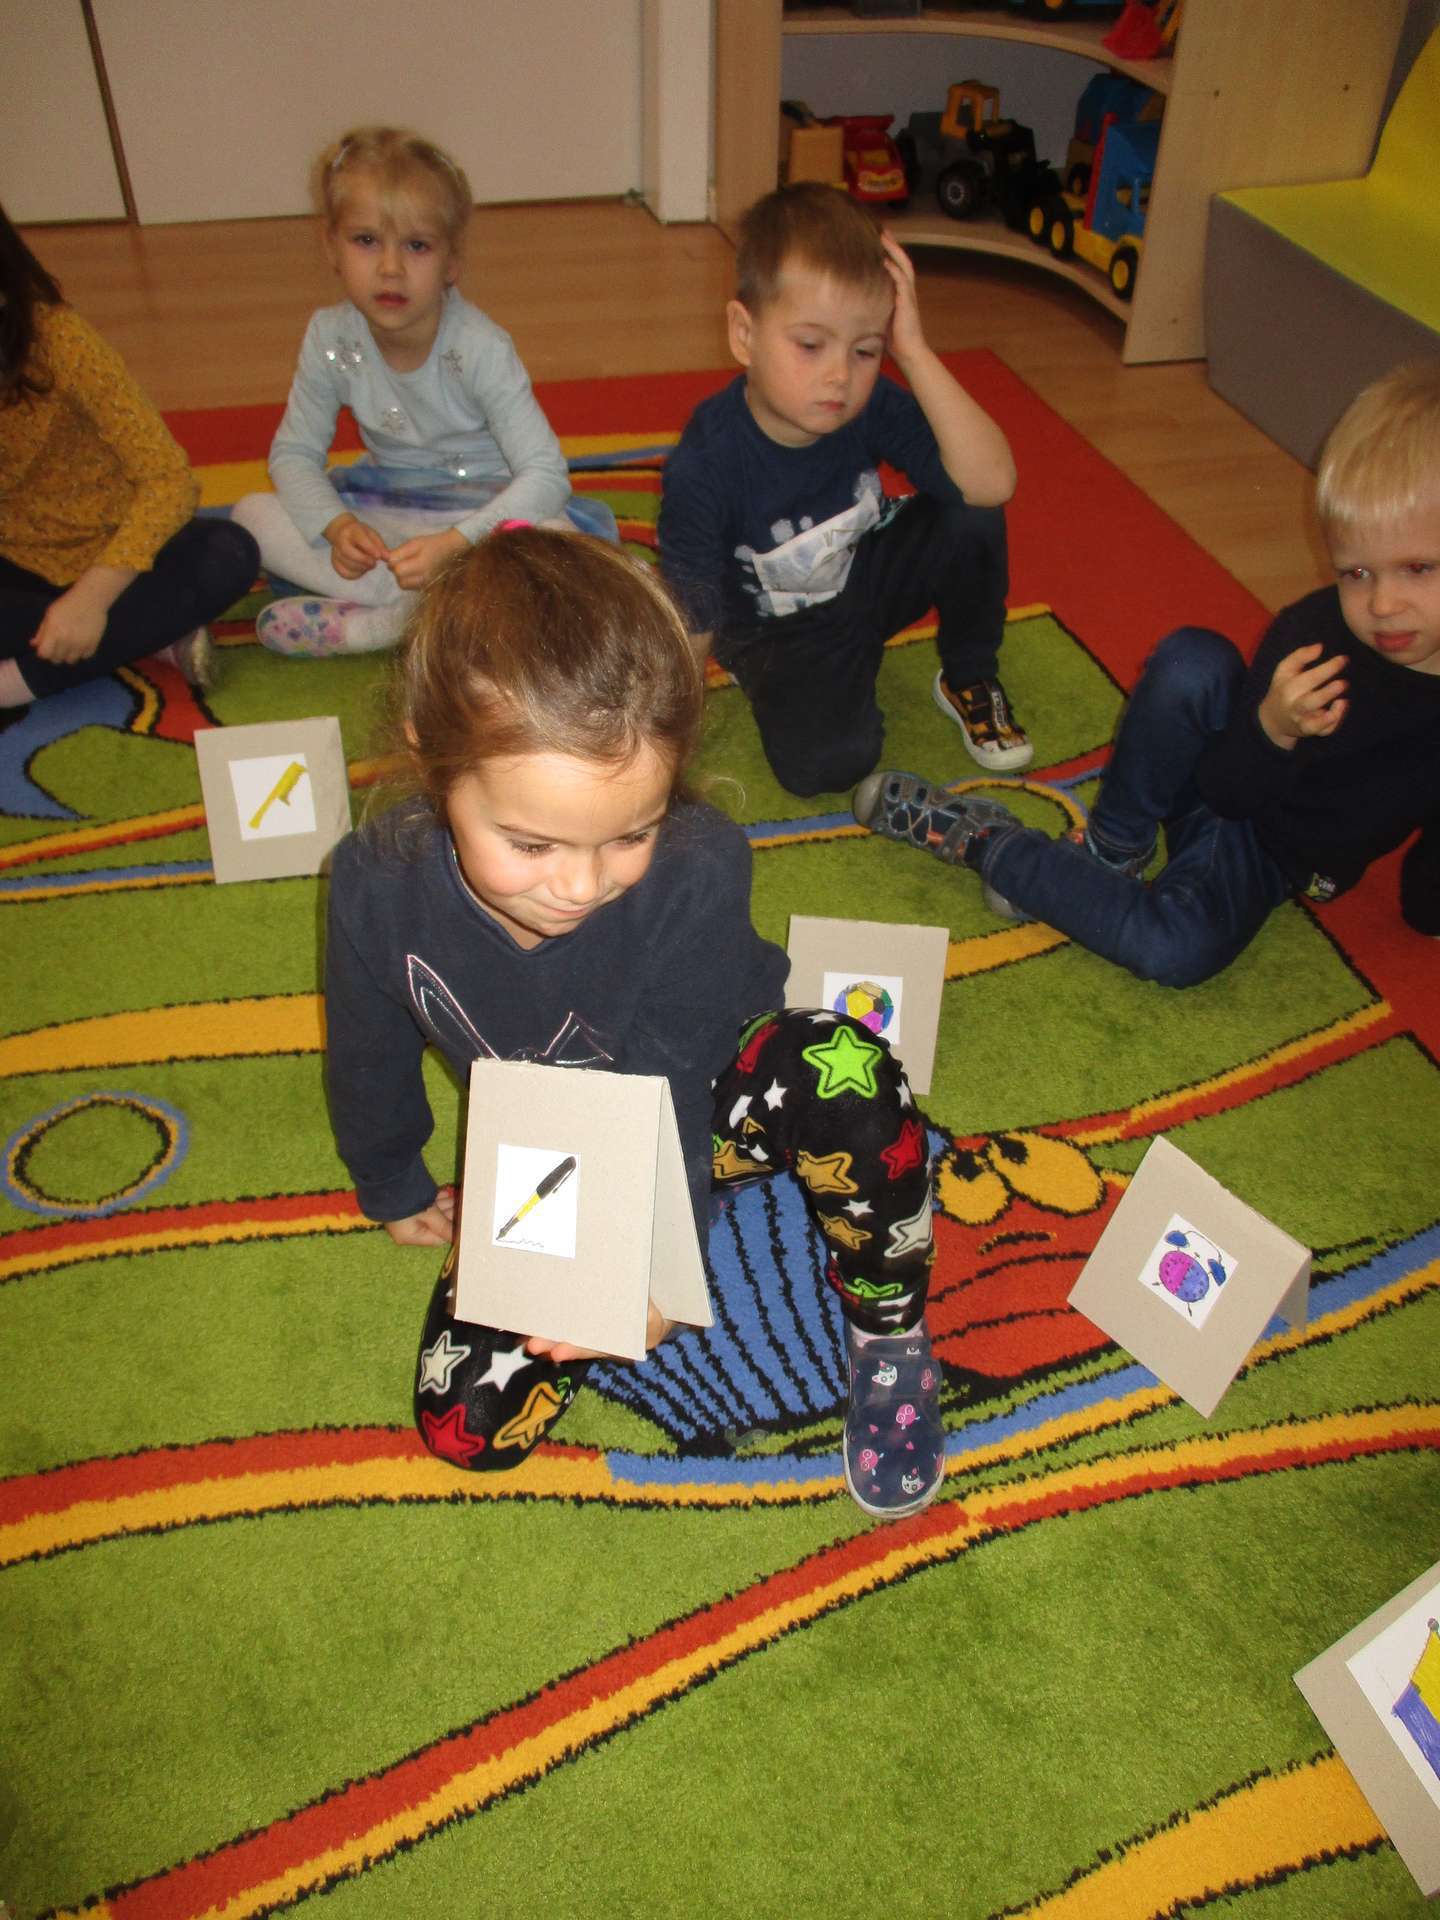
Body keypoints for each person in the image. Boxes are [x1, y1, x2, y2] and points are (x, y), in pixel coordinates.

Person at [324, 526, 944, 1520]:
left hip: (707, 1093)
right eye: (531, 844)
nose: (579, 886)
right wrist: (390, 1178)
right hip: (546, 1151)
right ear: (432, 763)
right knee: (467, 1425)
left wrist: (655, 1267)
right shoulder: (372, 881)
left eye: (630, 834)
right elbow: (368, 1045)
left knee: (847, 1070)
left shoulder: (698, 868)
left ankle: (891, 1324)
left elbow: (671, 1083)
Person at [854, 360, 1440, 987]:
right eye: (1356, 573)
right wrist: (1273, 728)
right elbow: (1227, 792)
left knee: (1177, 952)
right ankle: (1112, 849)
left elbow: (1424, 901)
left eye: (1419, 569)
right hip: (1233, 773)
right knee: (1192, 662)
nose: (1382, 604)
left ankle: (987, 841)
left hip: (1271, 857)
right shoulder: (1315, 636)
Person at [657, 181, 1028, 797]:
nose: (839, 375)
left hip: (864, 574)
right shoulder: (706, 462)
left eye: (865, 350)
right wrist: (667, 745)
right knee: (828, 765)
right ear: (744, 335)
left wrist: (913, 350)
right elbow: (692, 611)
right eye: (810, 345)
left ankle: (968, 674)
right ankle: (805, 675)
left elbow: (992, 482)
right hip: (776, 631)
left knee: (971, 510)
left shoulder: (869, 402)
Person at [231, 127, 612, 659]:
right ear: (331, 246)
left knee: (558, 547)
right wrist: (338, 527)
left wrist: (456, 545)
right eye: (366, 241)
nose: (390, 268)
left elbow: (546, 475)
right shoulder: (329, 337)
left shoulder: (480, 348)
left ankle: (386, 625)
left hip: (486, 520)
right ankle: (441, 611)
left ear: (452, 262)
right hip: (388, 517)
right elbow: (293, 455)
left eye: (417, 246)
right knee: (250, 517)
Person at [0, 205, 257, 714]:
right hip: (19, 568)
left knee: (229, 552)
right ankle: (147, 634)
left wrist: (91, 599)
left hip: (123, 552)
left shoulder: (60, 340)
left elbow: (169, 480)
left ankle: (20, 681)